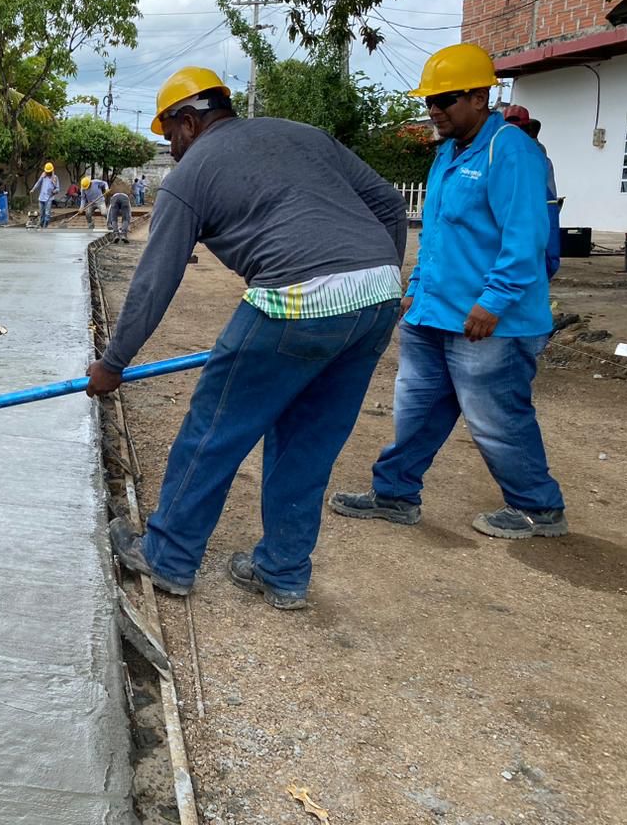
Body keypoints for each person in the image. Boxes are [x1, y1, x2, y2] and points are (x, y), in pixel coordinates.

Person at [89, 65, 407, 610]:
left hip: (295, 299)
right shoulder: (301, 134)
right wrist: (371, 278)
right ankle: (283, 572)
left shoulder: (188, 178)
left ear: (188, 122)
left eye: (170, 138)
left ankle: (167, 557)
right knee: (309, 440)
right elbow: (388, 205)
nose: (173, 151)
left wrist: (113, 361)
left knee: (215, 428)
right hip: (378, 296)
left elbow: (154, 279)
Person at [331, 43, 565, 540]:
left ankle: (538, 508)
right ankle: (394, 494)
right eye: (429, 101)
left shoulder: (511, 151)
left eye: (446, 99)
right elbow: (436, 231)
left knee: (497, 419)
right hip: (434, 313)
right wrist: (415, 285)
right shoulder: (446, 153)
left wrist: (493, 302)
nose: (435, 109)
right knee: (415, 412)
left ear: (481, 97)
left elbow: (525, 238)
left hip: (489, 322)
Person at [503, 105, 562, 279]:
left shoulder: (537, 156)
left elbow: (548, 205)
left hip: (535, 216)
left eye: (518, 128)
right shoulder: (499, 154)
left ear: (527, 128)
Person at [30, 163, 59, 227]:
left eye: (49, 171)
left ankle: (45, 226)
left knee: (47, 213)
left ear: (51, 171)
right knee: (41, 213)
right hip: (41, 198)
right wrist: (33, 189)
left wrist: (54, 191)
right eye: (47, 171)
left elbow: (58, 189)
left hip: (49, 198)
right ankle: (41, 225)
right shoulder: (43, 176)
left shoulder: (55, 178)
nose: (47, 173)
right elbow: (38, 183)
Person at [105, 177, 132, 243]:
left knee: (113, 219)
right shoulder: (126, 193)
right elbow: (129, 213)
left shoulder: (113, 195)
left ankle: (116, 234)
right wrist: (129, 223)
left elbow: (109, 213)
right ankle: (124, 235)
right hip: (125, 199)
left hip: (115, 198)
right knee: (125, 218)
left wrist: (108, 223)